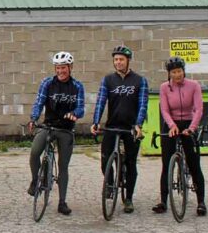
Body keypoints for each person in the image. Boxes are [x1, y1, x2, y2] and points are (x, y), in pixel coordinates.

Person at [91, 45, 148, 214]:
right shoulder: (108, 80)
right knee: (105, 159)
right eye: (116, 59)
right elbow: (101, 101)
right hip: (112, 126)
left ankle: (128, 198)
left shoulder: (139, 80)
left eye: (121, 59)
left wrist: (138, 124)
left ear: (128, 61)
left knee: (131, 164)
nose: (118, 62)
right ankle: (110, 183)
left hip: (131, 128)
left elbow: (142, 105)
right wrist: (96, 121)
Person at [27, 52, 85, 215]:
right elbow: (39, 102)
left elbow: (81, 108)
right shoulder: (47, 83)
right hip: (49, 126)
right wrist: (33, 118)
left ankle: (62, 202)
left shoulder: (77, 86)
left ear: (70, 68)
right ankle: (35, 180)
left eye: (64, 68)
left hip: (66, 129)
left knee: (63, 166)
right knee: (34, 153)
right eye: (58, 68)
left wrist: (74, 114)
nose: (60, 71)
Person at [155, 57, 206, 216]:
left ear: (184, 71)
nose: (177, 75)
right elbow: (164, 110)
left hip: (189, 124)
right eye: (173, 72)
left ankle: (201, 202)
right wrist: (172, 126)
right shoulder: (164, 87)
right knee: (166, 163)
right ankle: (163, 201)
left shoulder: (194, 85)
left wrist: (192, 128)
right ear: (169, 74)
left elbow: (198, 109)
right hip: (171, 124)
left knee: (193, 163)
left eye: (179, 71)